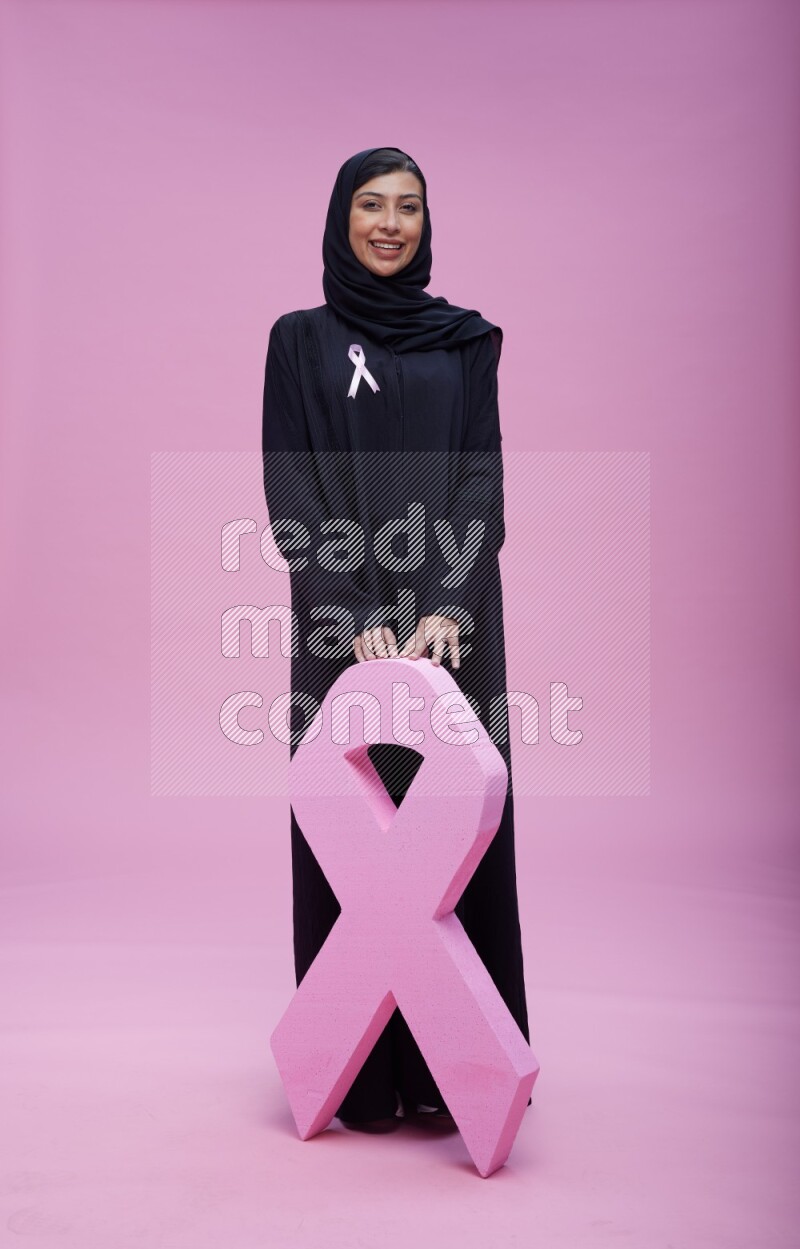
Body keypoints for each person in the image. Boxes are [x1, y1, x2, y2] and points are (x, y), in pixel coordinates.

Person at [262, 147, 530, 1134]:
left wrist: (448, 605)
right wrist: (354, 609)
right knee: (356, 834)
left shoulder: (463, 341)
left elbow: (480, 481)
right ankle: (366, 1079)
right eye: (369, 205)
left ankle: (457, 1072)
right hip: (346, 626)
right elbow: (291, 489)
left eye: (406, 207)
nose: (388, 223)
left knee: (456, 833)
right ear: (340, 218)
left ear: (426, 221)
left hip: (453, 625)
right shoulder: (298, 341)